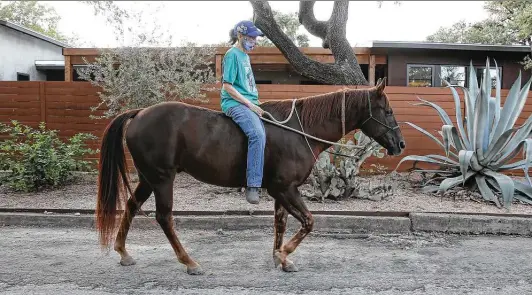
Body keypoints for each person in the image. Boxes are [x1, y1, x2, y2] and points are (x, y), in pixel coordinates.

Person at [220, 20, 266, 204]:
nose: (254, 42)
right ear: (240, 36)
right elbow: (227, 86)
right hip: (234, 103)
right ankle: (253, 185)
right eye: (251, 38)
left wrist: (256, 102)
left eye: (255, 39)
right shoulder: (232, 55)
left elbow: (246, 85)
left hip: (249, 102)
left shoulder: (245, 55)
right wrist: (250, 105)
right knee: (257, 135)